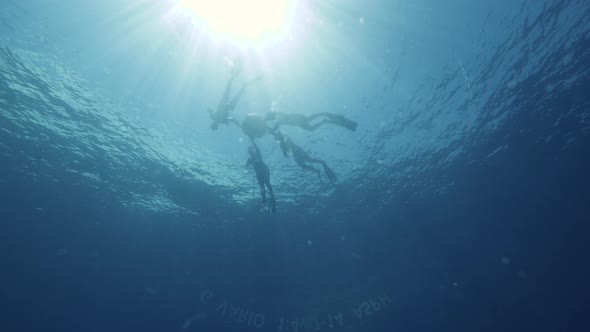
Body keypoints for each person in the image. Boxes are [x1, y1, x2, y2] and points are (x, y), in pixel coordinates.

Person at [208, 62, 263, 130]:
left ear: (216, 126)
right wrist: (210, 112)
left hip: (228, 107)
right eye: (213, 125)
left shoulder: (222, 121)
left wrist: (239, 125)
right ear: (213, 124)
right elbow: (209, 110)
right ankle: (233, 77)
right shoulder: (214, 118)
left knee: (235, 93)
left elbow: (232, 119)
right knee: (228, 89)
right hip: (224, 105)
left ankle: (239, 82)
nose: (214, 123)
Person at [272, 130, 337, 182]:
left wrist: (285, 150)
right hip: (295, 155)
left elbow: (287, 141)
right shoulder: (281, 144)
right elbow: (284, 151)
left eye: (277, 137)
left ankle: (322, 163)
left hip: (298, 151)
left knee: (310, 160)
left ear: (279, 136)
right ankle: (316, 170)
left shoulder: (285, 137)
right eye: (276, 138)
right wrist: (285, 153)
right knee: (303, 166)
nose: (276, 139)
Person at [246, 140, 276, 213]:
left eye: (251, 149)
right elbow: (246, 165)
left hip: (264, 170)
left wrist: (252, 140)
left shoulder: (257, 153)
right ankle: (264, 199)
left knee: (267, 183)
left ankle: (272, 196)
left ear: (253, 150)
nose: (251, 151)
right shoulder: (250, 159)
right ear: (249, 152)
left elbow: (256, 147)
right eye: (250, 150)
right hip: (258, 173)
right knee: (262, 186)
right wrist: (248, 165)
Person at [265, 111, 358, 132]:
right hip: (299, 122)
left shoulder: (279, 117)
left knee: (310, 121)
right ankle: (325, 120)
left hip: (299, 120)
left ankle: (324, 115)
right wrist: (272, 130)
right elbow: (277, 125)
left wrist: (271, 129)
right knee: (311, 129)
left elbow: (277, 122)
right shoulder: (279, 120)